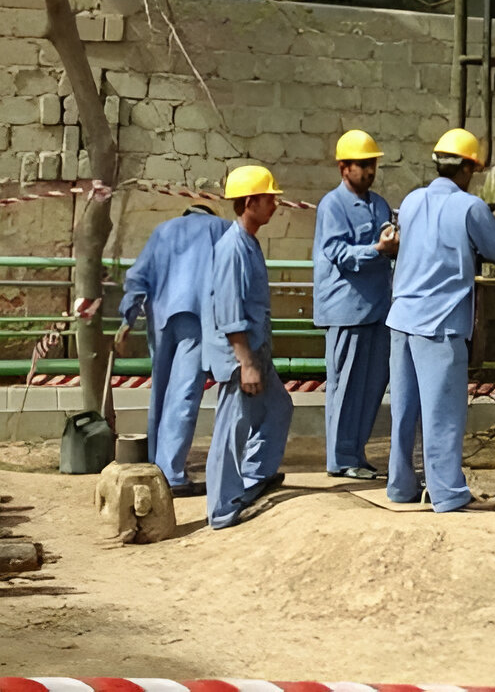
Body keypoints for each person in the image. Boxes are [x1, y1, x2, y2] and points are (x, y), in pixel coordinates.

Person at [386, 129, 495, 512]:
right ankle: (447, 493)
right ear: (467, 168)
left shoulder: (412, 201)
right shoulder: (469, 207)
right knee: (443, 413)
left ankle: (400, 487)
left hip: (401, 318)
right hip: (440, 321)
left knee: (405, 409)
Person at [204, 165, 294, 529]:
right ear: (249, 202)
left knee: (279, 409)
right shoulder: (232, 249)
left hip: (256, 351)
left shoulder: (248, 242)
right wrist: (246, 363)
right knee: (231, 431)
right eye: (269, 198)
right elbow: (229, 312)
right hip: (241, 357)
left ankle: (255, 478)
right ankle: (221, 510)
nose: (275, 204)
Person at [119, 201, 228, 497]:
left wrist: (127, 316)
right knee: (185, 394)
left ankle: (158, 465)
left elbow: (137, 275)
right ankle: (172, 473)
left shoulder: (162, 230)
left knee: (161, 392)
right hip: (198, 315)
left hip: (160, 316)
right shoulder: (223, 229)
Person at [312, 129, 398, 479]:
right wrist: (376, 250)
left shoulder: (378, 204)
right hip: (346, 310)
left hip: (377, 308)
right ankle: (341, 458)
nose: (369, 171)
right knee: (345, 387)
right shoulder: (332, 205)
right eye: (362, 165)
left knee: (372, 385)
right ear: (343, 168)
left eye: (372, 164)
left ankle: (356, 453)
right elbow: (337, 252)